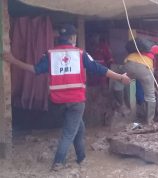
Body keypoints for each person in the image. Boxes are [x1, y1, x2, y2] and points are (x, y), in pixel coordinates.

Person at [1, 24, 131, 171]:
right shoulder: (80, 54)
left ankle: (81, 158)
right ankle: (58, 162)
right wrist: (120, 77)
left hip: (57, 101)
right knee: (69, 132)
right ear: (72, 38)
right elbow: (100, 69)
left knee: (78, 127)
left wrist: (13, 60)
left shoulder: (49, 54)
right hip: (76, 101)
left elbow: (34, 69)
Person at [123, 38, 158, 125]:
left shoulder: (138, 46)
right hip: (144, 67)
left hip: (128, 65)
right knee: (150, 95)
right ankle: (150, 121)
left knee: (128, 89)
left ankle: (128, 115)